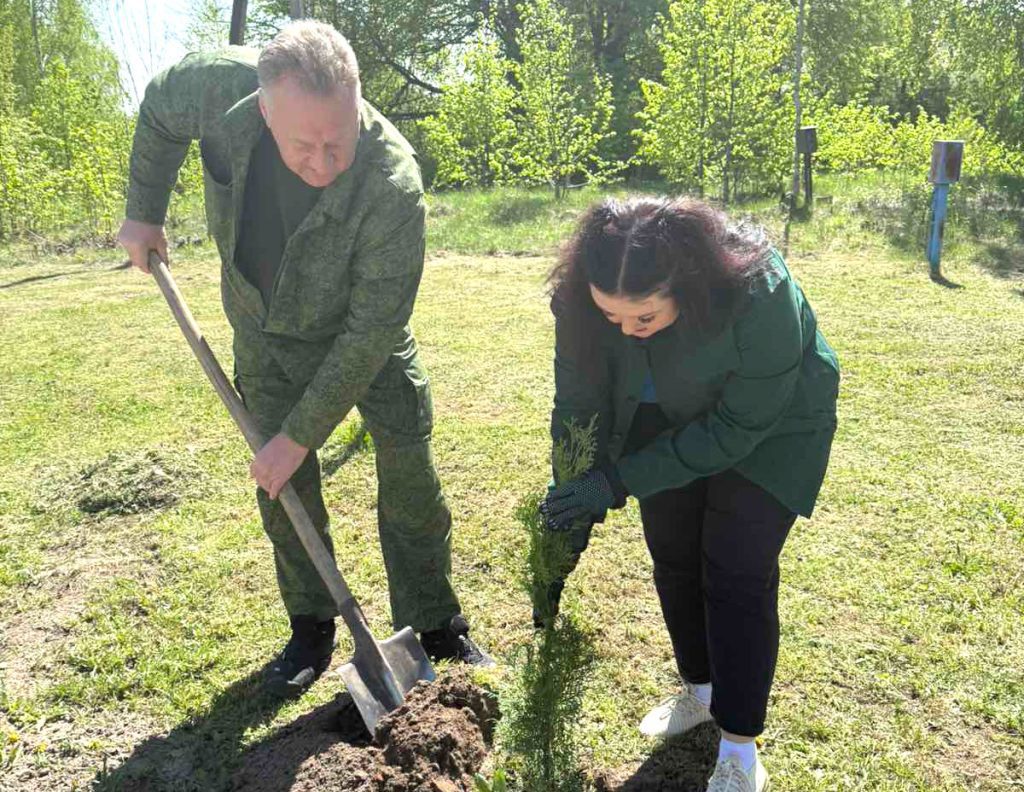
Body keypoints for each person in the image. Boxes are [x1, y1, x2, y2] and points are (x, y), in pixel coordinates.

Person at [117, 20, 491, 699]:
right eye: (302, 145)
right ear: (264, 109)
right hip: (262, 332)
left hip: (363, 345)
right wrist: (143, 211)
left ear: (358, 104)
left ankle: (435, 624)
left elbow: (372, 329)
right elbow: (158, 112)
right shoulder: (213, 87)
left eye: (337, 141)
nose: (322, 163)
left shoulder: (391, 184)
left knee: (409, 473)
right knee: (283, 491)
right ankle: (311, 626)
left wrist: (299, 434)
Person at [542, 196, 839, 792]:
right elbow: (578, 401)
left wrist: (620, 479)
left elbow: (736, 429)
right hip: (660, 412)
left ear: (686, 283)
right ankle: (700, 692)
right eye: (612, 318)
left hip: (771, 428)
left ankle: (739, 745)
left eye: (643, 319)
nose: (626, 331)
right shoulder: (582, 298)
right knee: (673, 553)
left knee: (734, 568)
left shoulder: (760, 289)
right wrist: (574, 494)